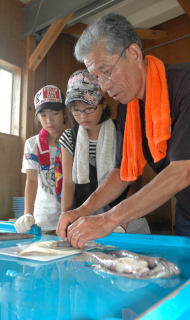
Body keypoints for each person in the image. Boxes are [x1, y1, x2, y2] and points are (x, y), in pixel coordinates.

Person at [56, 13, 190, 247]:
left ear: (134, 54)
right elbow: (121, 173)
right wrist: (84, 210)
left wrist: (110, 218)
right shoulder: (129, 110)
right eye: (97, 78)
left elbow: (183, 171)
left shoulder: (184, 86)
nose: (105, 87)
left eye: (106, 70)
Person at [58, 69, 150, 234]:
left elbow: (135, 180)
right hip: (84, 219)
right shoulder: (69, 138)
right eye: (76, 110)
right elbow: (68, 184)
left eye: (89, 107)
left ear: (103, 102)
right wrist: (65, 216)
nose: (82, 116)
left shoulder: (121, 130)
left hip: (123, 218)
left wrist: (125, 220)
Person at [15, 85, 66, 233]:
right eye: (43, 115)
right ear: (38, 117)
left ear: (64, 113)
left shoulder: (73, 141)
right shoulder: (32, 144)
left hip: (68, 218)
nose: (49, 120)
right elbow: (31, 180)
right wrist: (27, 213)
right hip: (41, 219)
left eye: (55, 113)